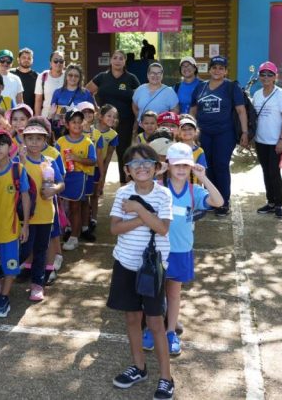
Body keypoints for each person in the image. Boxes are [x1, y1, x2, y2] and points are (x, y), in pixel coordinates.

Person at [107, 143, 174, 400]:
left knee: (156, 322)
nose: (141, 167)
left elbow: (162, 228)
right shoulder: (123, 193)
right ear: (127, 170)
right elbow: (115, 228)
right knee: (132, 318)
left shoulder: (163, 194)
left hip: (152, 269)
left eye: (147, 162)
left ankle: (166, 378)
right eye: (135, 163)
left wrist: (137, 209)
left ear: (157, 168)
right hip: (125, 263)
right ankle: (139, 367)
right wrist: (143, 216)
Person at [157, 143, 223, 357]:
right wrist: (156, 174)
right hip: (157, 250)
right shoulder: (158, 187)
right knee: (154, 292)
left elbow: (218, 201)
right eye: (176, 165)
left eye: (185, 165)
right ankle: (152, 328)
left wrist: (203, 177)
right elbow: (135, 195)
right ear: (168, 165)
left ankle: (170, 332)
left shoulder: (195, 191)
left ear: (191, 167)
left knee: (174, 293)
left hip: (181, 250)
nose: (181, 169)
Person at [189, 55, 249, 217]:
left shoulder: (231, 87)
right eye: (214, 67)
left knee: (221, 165)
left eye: (221, 68)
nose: (217, 71)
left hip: (225, 133)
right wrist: (191, 130)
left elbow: (241, 111)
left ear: (226, 71)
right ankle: (211, 200)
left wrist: (245, 132)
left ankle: (223, 202)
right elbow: (193, 110)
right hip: (204, 133)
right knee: (207, 167)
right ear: (209, 70)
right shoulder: (200, 87)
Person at [0, 129, 31, 317]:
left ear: (10, 147)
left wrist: (25, 225)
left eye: (1, 144)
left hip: (10, 229)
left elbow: (25, 197)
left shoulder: (18, 169)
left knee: (10, 264)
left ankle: (4, 296)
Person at [19, 119, 65, 301]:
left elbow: (61, 183)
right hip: (25, 217)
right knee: (23, 250)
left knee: (40, 251)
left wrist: (54, 189)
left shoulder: (50, 161)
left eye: (39, 139)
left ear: (45, 141)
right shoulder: (19, 161)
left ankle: (37, 285)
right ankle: (1, 274)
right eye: (30, 138)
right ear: (24, 140)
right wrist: (21, 163)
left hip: (46, 215)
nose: (34, 143)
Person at [86, 49, 141, 184]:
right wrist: (96, 109)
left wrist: (137, 120)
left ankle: (125, 184)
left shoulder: (131, 79)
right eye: (115, 58)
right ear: (111, 60)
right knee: (101, 153)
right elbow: (87, 92)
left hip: (125, 122)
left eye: (121, 58)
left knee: (124, 154)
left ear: (125, 62)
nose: (118, 61)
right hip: (103, 124)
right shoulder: (102, 77)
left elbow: (139, 100)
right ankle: (98, 184)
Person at [252, 61, 282, 219]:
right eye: (263, 74)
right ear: (259, 76)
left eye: (270, 74)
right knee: (266, 172)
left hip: (277, 141)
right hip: (261, 141)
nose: (266, 77)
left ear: (275, 77)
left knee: (274, 172)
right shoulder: (257, 94)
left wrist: (281, 139)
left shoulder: (281, 94)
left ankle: (278, 205)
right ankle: (270, 202)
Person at [57, 109, 97, 251]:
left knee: (75, 206)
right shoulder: (60, 141)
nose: (77, 125)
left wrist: (77, 158)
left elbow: (93, 161)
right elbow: (54, 158)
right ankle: (68, 228)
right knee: (64, 205)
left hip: (79, 177)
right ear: (67, 125)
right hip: (64, 177)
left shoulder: (87, 142)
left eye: (80, 122)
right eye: (73, 122)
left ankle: (74, 236)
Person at [77, 101, 103, 236]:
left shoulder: (97, 134)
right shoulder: (73, 132)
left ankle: (85, 227)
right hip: (75, 172)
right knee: (74, 201)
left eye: (90, 112)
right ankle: (72, 227)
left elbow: (99, 157)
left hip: (90, 172)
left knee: (86, 200)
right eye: (84, 112)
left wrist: (102, 175)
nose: (87, 114)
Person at [49, 64, 95, 138]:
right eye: (70, 75)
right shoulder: (57, 92)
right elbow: (52, 113)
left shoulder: (86, 93)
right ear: (66, 76)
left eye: (76, 76)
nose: (73, 78)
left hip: (80, 129)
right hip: (62, 129)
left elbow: (92, 113)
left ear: (80, 78)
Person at [132, 62, 179, 135]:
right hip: (142, 128)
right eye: (152, 73)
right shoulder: (140, 89)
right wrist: (141, 118)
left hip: (161, 129)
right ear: (148, 75)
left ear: (162, 75)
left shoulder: (169, 92)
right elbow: (135, 107)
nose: (155, 75)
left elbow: (174, 112)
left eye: (158, 73)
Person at [93, 104, 119, 225]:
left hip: (99, 168)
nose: (112, 119)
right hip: (86, 166)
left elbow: (108, 157)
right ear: (100, 116)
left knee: (96, 194)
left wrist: (103, 175)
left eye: (114, 116)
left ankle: (93, 219)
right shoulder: (90, 129)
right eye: (109, 115)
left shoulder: (113, 135)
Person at [175, 114, 207, 185]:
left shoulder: (200, 151)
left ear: (196, 131)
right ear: (179, 133)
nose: (187, 132)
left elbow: (202, 173)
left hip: (193, 187)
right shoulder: (174, 149)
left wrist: (199, 189)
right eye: (183, 129)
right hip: (176, 186)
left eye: (190, 129)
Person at [34, 51, 67, 118]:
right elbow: (38, 100)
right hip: (46, 117)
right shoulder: (43, 76)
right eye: (55, 61)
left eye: (61, 61)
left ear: (64, 63)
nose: (58, 63)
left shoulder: (68, 77)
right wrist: (38, 119)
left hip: (64, 118)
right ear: (50, 63)